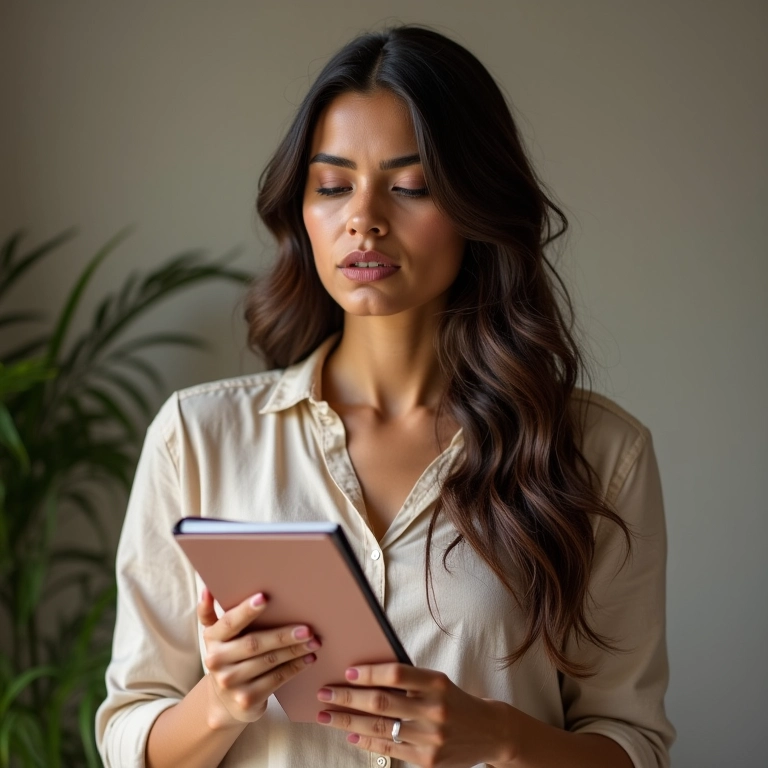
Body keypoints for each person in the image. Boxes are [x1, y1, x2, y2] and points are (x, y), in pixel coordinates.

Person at [96, 24, 674, 768]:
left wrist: (499, 737)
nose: (363, 218)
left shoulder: (600, 454)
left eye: (410, 186)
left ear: (475, 204)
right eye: (332, 186)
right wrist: (220, 703)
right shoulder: (197, 437)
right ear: (301, 211)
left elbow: (636, 746)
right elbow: (125, 737)